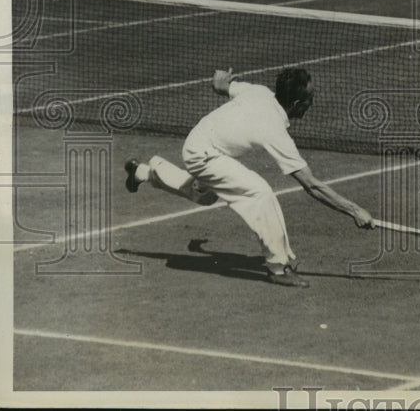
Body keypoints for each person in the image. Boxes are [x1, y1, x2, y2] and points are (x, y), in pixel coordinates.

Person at [123, 67, 374, 288]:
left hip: (199, 142)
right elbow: (311, 185)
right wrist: (354, 210)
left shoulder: (260, 92)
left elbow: (220, 85)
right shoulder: (273, 129)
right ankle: (278, 267)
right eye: (310, 98)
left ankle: (143, 172)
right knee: (260, 192)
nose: (313, 101)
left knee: (206, 195)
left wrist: (220, 79)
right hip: (203, 153)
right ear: (297, 104)